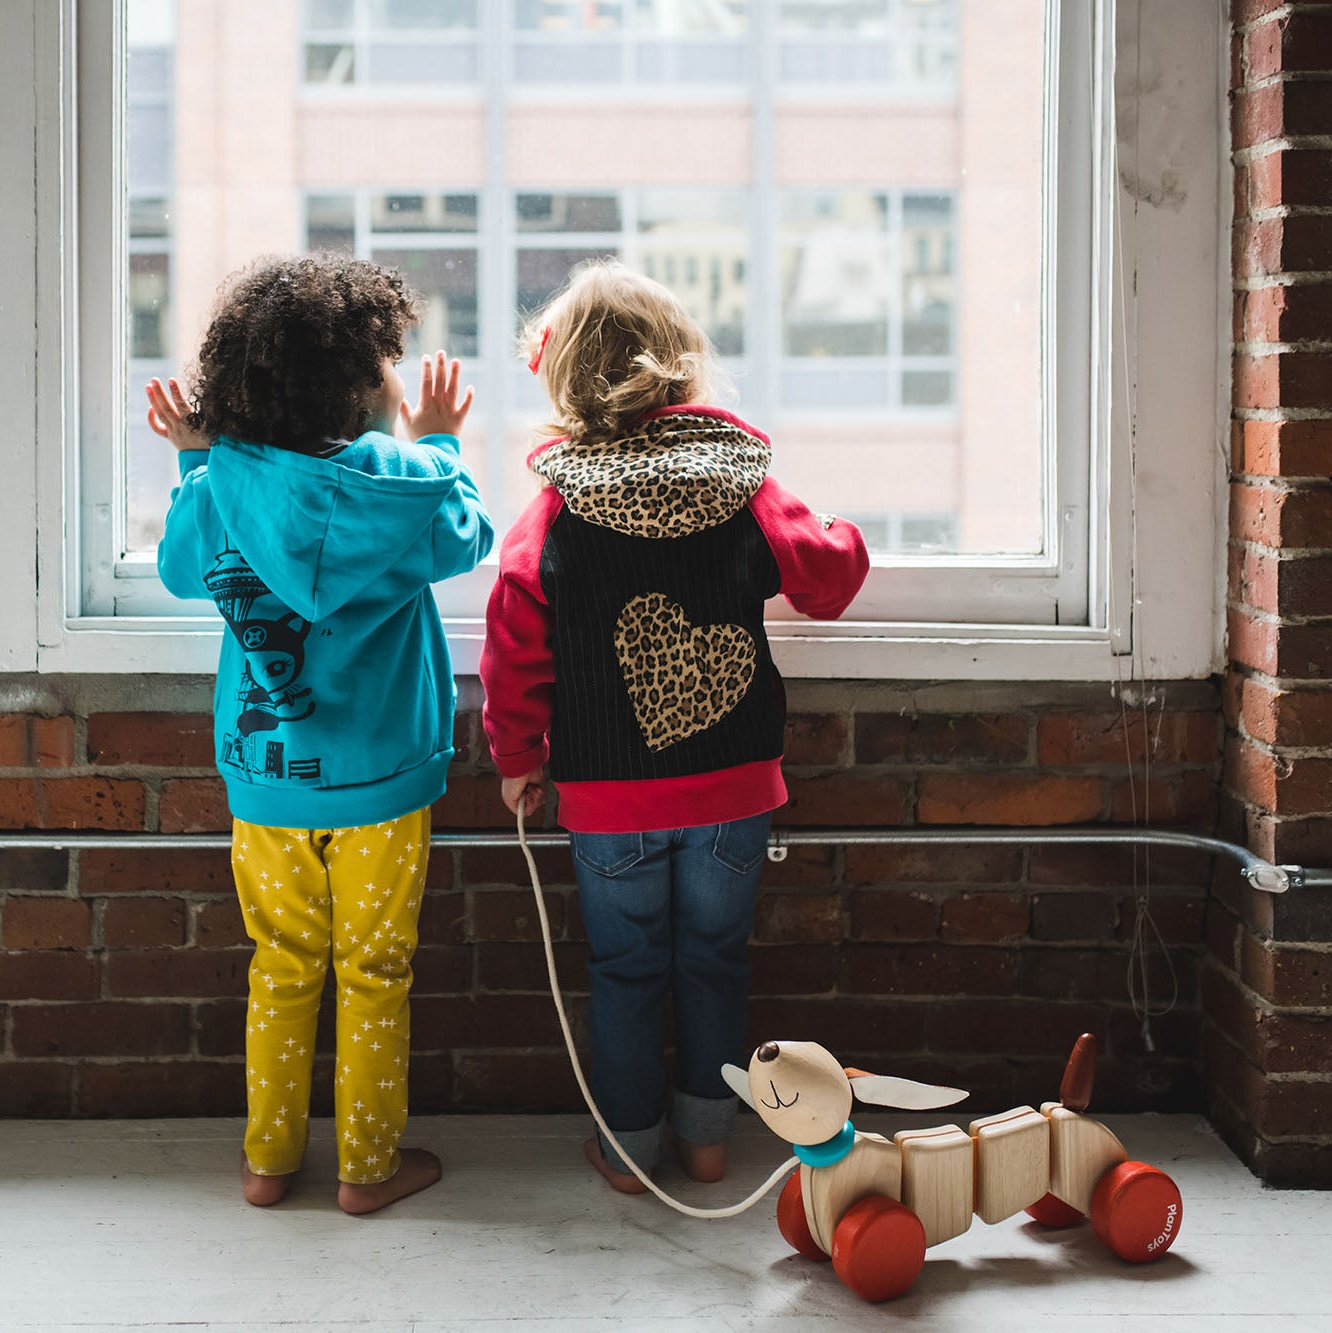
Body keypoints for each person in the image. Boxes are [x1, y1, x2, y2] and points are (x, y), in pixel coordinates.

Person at [480, 259, 869, 1191]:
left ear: (566, 375)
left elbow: (513, 639)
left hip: (608, 797)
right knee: (713, 961)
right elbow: (829, 577)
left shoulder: (557, 506)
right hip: (734, 787)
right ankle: (706, 1141)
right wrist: (844, 527)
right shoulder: (740, 482)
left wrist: (516, 756)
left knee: (625, 967)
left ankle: (627, 1152)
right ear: (680, 361)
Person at [147, 255, 494, 1214]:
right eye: (389, 362)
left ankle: (268, 1162)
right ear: (357, 387)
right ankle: (366, 1171)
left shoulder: (225, 484)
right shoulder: (406, 484)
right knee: (375, 974)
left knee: (282, 968)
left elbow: (180, 566)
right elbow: (468, 533)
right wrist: (440, 442)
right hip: (383, 783)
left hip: (269, 784)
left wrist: (196, 461)